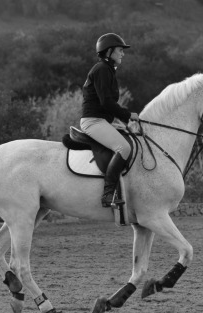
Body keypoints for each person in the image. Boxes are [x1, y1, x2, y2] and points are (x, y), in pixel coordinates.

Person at [80, 33, 139, 207]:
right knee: (124, 148)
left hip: (102, 120)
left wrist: (125, 121)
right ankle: (108, 195)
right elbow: (106, 102)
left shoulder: (107, 70)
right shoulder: (102, 70)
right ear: (109, 51)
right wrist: (128, 115)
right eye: (120, 50)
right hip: (93, 121)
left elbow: (108, 104)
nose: (123, 54)